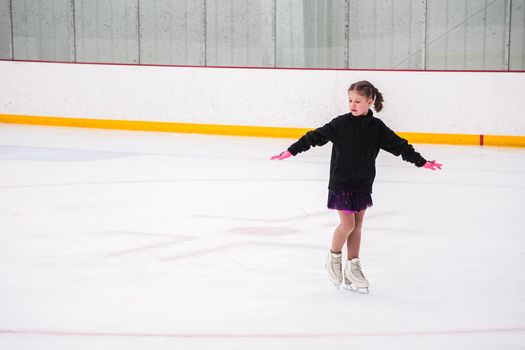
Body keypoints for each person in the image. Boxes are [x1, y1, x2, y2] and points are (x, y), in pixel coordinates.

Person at [270, 80, 442, 294]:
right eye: (350, 100)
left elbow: (400, 146)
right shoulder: (340, 124)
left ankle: (353, 267)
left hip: (363, 183)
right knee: (348, 225)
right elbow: (314, 137)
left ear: (370, 102)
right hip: (342, 182)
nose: (352, 104)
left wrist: (421, 161)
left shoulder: (377, 128)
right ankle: (333, 257)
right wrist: (291, 151)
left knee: (357, 227)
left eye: (358, 101)